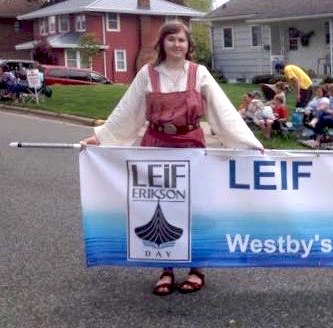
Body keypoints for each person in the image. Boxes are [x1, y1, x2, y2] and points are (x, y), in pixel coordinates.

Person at [80, 21, 264, 296]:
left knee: (195, 208)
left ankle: (197, 267)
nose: (177, 45)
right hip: (156, 147)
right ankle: (165, 268)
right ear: (162, 43)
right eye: (172, 40)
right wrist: (103, 137)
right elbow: (128, 112)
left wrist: (248, 142)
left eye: (182, 40)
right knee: (159, 209)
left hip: (191, 146)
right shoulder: (148, 74)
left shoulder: (199, 73)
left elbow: (222, 111)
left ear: (189, 46)